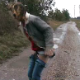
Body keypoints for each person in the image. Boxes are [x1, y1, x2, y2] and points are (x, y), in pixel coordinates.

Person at [12, 2, 55, 80]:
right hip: (37, 51)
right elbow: (33, 37)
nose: (14, 17)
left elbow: (48, 30)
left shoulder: (33, 19)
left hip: (43, 50)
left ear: (19, 13)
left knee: (35, 77)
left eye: (15, 15)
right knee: (30, 75)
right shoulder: (22, 23)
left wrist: (49, 47)